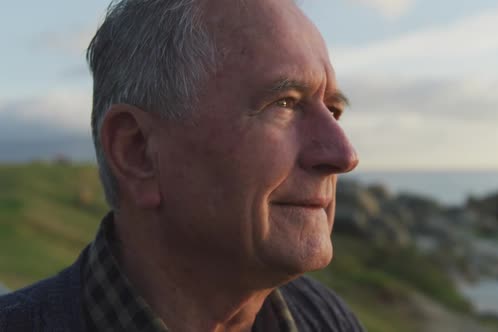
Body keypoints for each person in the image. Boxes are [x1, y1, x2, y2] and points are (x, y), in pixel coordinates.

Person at [0, 0, 361, 330]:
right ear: (137, 151)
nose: (344, 155)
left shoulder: (326, 318)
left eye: (333, 110)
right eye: (284, 103)